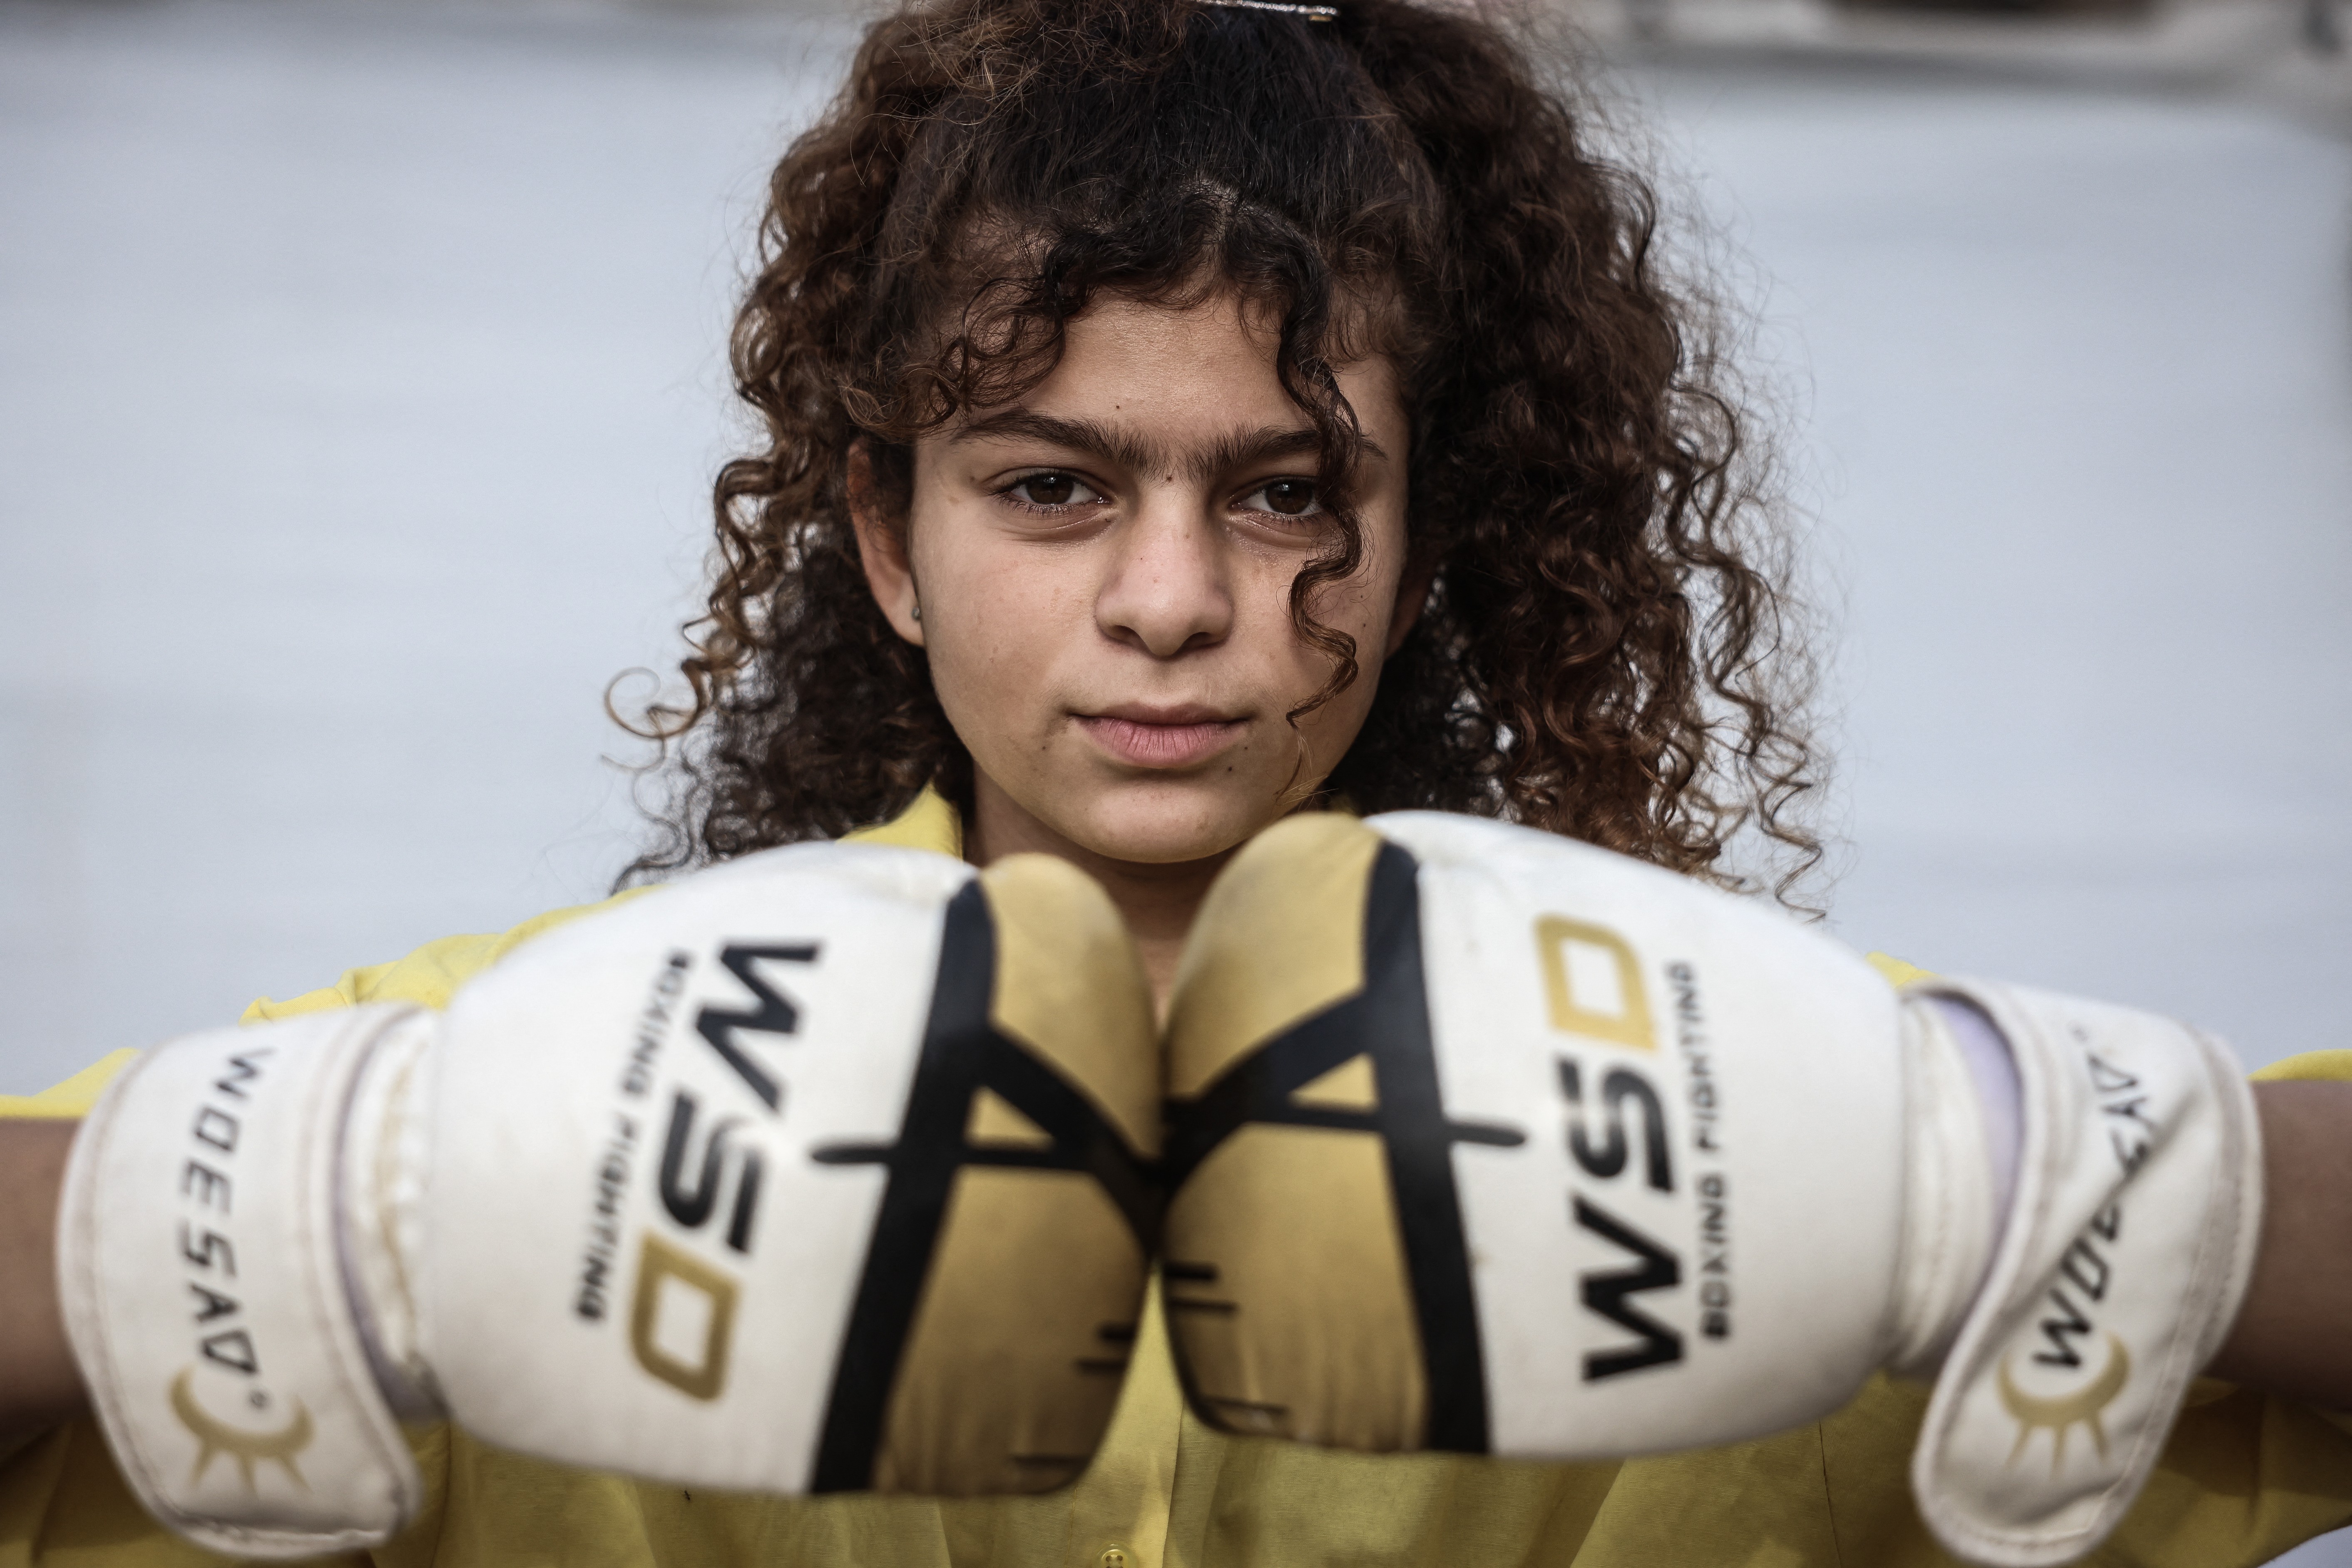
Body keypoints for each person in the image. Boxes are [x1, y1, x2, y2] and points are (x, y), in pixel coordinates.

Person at [3, 0, 2350, 1561]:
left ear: (1426, 540)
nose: (1166, 600)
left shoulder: (1771, 1104)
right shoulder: (514, 1066)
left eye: (1282, 490)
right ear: (882, 545)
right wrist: (344, 1200)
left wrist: (2002, 1167)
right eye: (1047, 487)